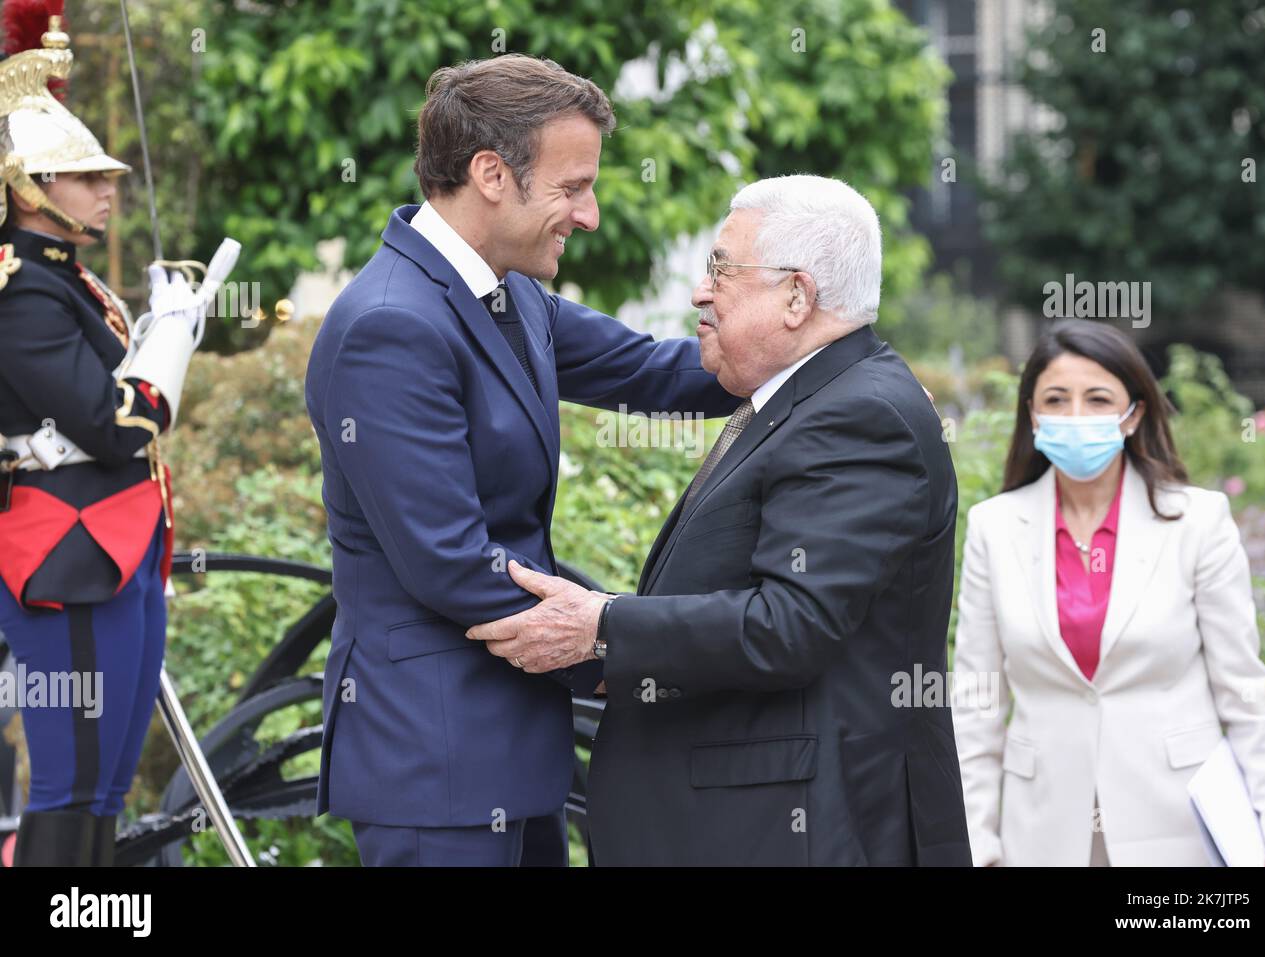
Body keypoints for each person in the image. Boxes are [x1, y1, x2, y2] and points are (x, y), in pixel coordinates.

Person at [304, 54, 737, 867]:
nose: (592, 214)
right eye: (572, 188)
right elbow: (452, 563)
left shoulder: (509, 292)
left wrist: (804, 357)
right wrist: (624, 645)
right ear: (492, 174)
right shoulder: (389, 327)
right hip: (433, 764)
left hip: (511, 749)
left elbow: (648, 370)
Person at [467, 175, 973, 866]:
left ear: (798, 296)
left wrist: (603, 624)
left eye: (720, 269)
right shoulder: (811, 394)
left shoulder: (859, 414)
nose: (701, 291)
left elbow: (791, 625)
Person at [0, 6, 216, 866]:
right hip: (66, 554)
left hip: (118, 544)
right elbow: (118, 423)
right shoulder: (22, 294)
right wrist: (171, 341)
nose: (106, 186)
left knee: (106, 788)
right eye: (81, 175)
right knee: (69, 789)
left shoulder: (67, 280)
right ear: (29, 186)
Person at [951, 319, 1265, 866]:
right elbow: (976, 707)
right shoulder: (996, 527)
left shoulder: (1196, 522)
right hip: (1040, 833)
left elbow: (1245, 696)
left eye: (1098, 398)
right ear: (1032, 416)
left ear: (1133, 414)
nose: (1076, 416)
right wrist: (978, 845)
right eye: (1056, 400)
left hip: (1178, 829)